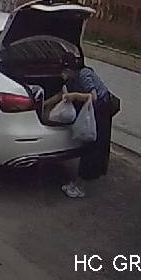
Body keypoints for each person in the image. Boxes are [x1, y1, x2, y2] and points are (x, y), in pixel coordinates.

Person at [44, 57, 116, 199]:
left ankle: (81, 186)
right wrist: (44, 104)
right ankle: (79, 182)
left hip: (100, 111)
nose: (62, 74)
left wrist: (75, 96)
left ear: (71, 70)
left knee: (92, 147)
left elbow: (93, 97)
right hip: (91, 111)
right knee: (87, 145)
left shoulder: (84, 75)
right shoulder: (71, 79)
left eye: (64, 71)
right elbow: (61, 95)